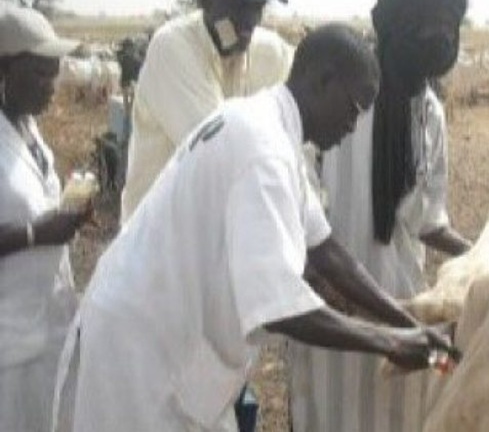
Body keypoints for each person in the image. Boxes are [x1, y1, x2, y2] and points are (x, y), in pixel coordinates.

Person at [52, 23, 454, 432]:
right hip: (144, 350)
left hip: (160, 330)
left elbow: (328, 253)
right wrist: (390, 342)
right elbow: (283, 310)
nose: (353, 126)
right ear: (323, 80)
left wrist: (409, 324)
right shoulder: (265, 152)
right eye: (353, 108)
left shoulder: (271, 128)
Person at [289, 0, 472, 432]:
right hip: (331, 309)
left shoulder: (429, 112)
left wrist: (483, 255)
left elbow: (428, 220)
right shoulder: (338, 99)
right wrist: (311, 273)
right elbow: (294, 203)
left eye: (452, 28)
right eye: (433, 25)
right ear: (401, 26)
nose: (444, 39)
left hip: (403, 304)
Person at [120, 0, 294, 222]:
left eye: (258, 6)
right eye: (239, 5)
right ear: (204, 0)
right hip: (161, 235)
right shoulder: (173, 47)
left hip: (220, 233)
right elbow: (221, 148)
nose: (250, 20)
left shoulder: (269, 51)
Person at [0, 6, 91, 432]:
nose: (52, 86)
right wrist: (36, 233)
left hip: (49, 323)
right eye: (40, 74)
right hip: (8, 342)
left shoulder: (26, 126)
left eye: (54, 73)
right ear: (4, 68)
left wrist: (68, 213)